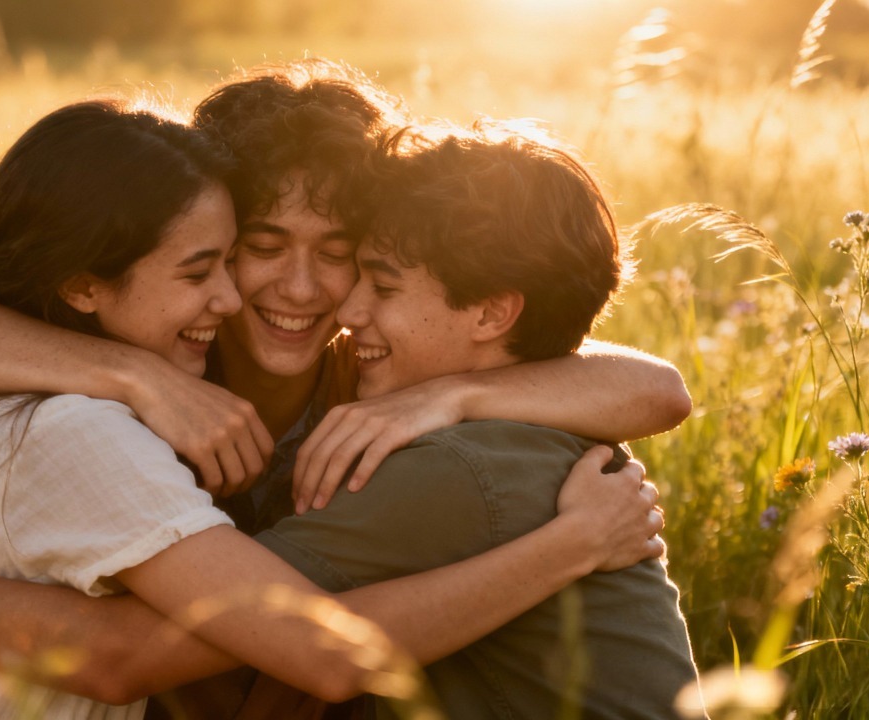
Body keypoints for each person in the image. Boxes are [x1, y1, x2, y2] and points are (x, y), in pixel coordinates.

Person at [0, 98, 666, 718]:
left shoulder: (381, 383)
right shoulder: (103, 400)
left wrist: (455, 391)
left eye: (346, 255)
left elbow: (658, 389)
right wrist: (138, 380)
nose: (305, 290)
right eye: (254, 249)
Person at [249, 121, 703, 717]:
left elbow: (193, 629)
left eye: (382, 285)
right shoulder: (531, 423)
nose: (349, 309)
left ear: (492, 313)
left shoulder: (454, 468)